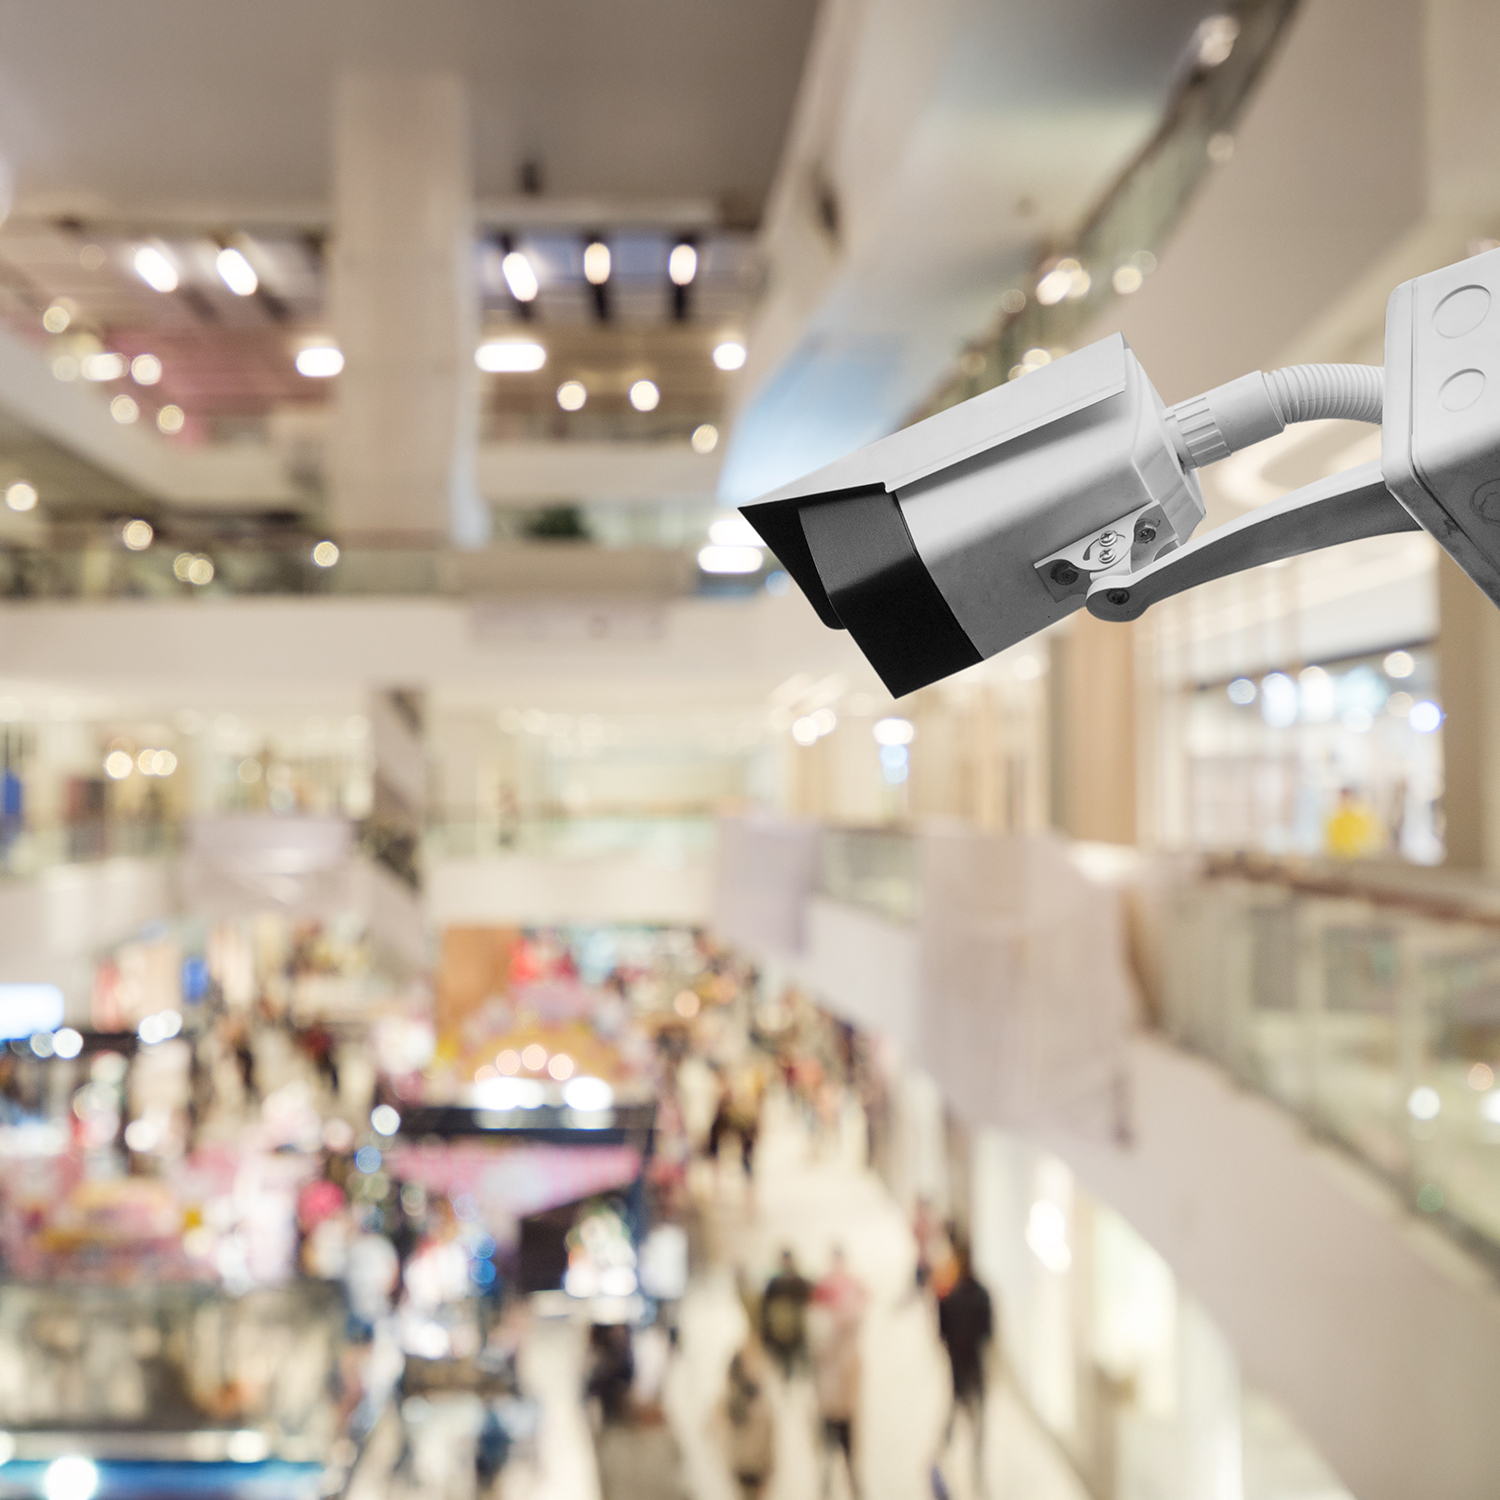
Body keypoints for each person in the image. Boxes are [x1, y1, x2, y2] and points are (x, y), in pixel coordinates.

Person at [936, 1240, 995, 1488]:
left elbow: (941, 1334)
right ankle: (970, 1469)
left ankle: (944, 1463)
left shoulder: (951, 1298)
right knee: (973, 1423)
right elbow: (988, 1333)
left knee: (956, 1418)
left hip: (959, 1368)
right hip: (974, 1368)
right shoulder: (981, 1295)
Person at [811, 1247, 867, 1497]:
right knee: (829, 1464)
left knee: (847, 1462)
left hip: (841, 1410)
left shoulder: (847, 1350)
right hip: (830, 1409)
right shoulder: (825, 1342)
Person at [719, 1342, 776, 1499]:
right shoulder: (733, 1401)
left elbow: (769, 1437)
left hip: (756, 1466)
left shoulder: (761, 1402)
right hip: (742, 1464)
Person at [759, 1248, 813, 1379]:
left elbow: (808, 1300)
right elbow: (765, 1308)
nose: (786, 1263)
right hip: (778, 1333)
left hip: (797, 1331)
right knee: (782, 1369)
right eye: (784, 1260)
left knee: (801, 1369)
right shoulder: (774, 1283)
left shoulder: (799, 1281)